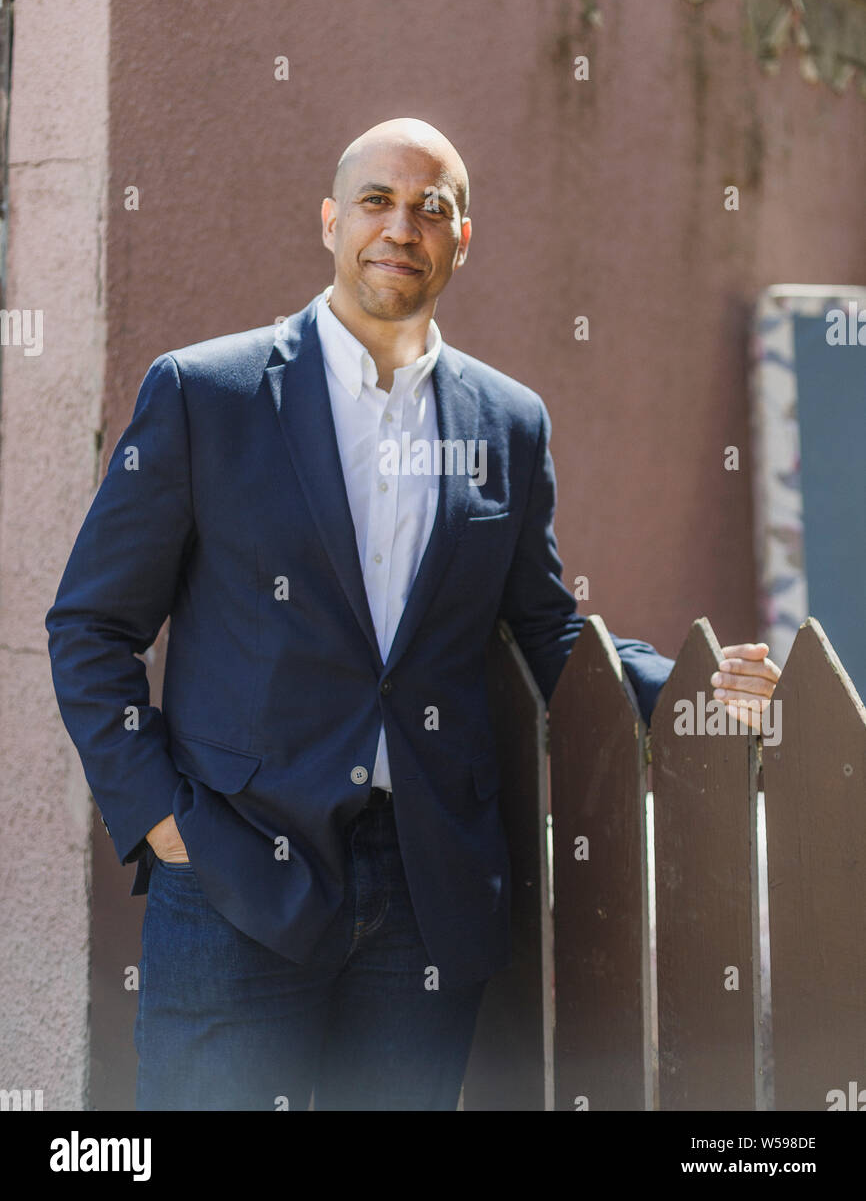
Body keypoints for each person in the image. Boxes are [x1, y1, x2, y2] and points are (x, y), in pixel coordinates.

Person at [45, 117, 781, 1111]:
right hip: (236, 872)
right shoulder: (205, 395)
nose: (402, 226)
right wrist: (162, 825)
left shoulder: (506, 421)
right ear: (329, 221)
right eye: (376, 201)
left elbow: (546, 627)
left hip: (426, 894)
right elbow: (90, 628)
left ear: (461, 238)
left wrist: (692, 690)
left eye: (431, 208)